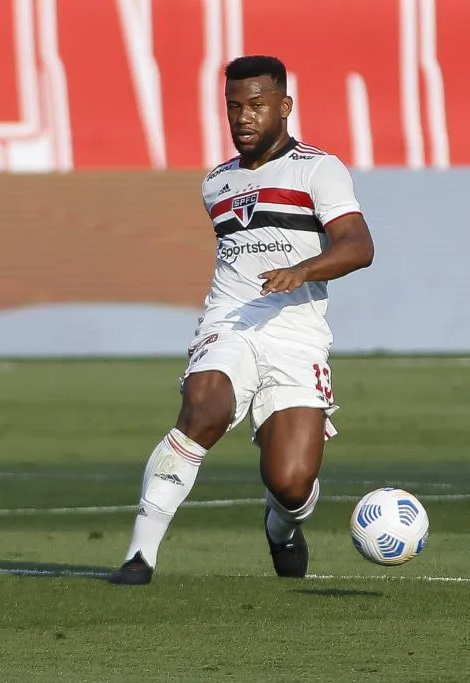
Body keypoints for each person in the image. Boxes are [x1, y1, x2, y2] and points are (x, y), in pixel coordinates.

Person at [109, 55, 375, 585]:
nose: (243, 118)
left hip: (297, 331)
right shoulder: (216, 183)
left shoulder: (318, 169)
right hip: (230, 319)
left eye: (256, 105)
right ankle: (140, 556)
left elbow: (359, 246)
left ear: (285, 106)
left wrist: (301, 270)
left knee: (292, 484)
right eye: (234, 107)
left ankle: (282, 527)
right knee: (202, 405)